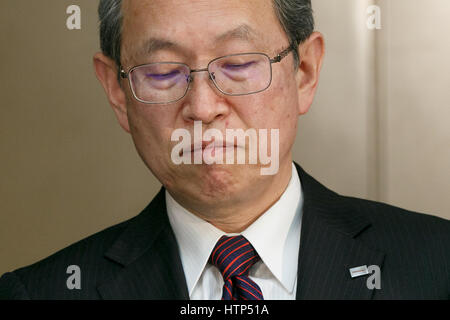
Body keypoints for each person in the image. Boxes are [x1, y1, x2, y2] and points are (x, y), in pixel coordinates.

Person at [0, 0, 449, 300]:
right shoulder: (38, 293)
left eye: (237, 65)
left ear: (305, 72)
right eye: (162, 72)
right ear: (118, 93)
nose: (202, 108)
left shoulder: (437, 266)